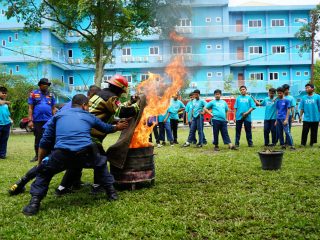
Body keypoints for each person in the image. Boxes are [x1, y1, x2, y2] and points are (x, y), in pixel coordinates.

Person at [22, 94, 129, 216]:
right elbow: (106, 128)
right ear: (84, 105)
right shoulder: (88, 116)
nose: (88, 108)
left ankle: (34, 203)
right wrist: (118, 127)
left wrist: (40, 161)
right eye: (88, 106)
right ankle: (112, 193)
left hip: (61, 154)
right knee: (101, 163)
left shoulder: (58, 115)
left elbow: (45, 141)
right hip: (85, 153)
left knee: (44, 172)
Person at [8, 85, 101, 196]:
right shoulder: (83, 107)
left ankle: (19, 184)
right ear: (90, 96)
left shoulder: (73, 104)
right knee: (47, 163)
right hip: (56, 134)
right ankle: (22, 184)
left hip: (52, 131)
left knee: (52, 161)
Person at [28, 78, 56, 162]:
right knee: (38, 137)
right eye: (45, 85)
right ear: (40, 85)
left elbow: (53, 108)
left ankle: (49, 155)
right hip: (37, 120)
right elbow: (30, 108)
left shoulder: (51, 95)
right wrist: (30, 120)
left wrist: (55, 118)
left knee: (49, 137)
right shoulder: (33, 94)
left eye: (47, 85)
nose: (46, 86)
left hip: (49, 120)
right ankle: (37, 155)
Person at [0, 86, 12, 159]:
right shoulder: (4, 102)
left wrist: (10, 120)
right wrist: (7, 102)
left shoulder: (5, 105)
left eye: (5, 93)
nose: (4, 94)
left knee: (4, 140)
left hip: (6, 124)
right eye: (2, 93)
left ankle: (2, 154)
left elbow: (7, 114)